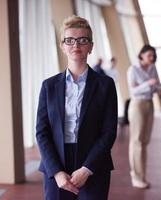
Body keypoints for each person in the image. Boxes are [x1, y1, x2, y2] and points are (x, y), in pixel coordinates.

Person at [36, 15, 118, 200]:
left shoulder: (105, 85)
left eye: (82, 40)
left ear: (90, 46)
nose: (76, 45)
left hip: (94, 163)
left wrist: (87, 169)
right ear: (62, 46)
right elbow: (42, 132)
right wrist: (56, 172)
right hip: (56, 164)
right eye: (70, 40)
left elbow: (109, 131)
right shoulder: (48, 86)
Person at [127, 44, 159, 188]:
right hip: (137, 105)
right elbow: (133, 91)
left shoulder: (153, 68)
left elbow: (156, 87)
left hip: (149, 104)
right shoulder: (133, 69)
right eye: (149, 55)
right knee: (137, 141)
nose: (152, 58)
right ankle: (136, 176)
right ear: (141, 55)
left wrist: (159, 87)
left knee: (144, 141)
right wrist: (148, 84)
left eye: (153, 56)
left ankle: (142, 176)